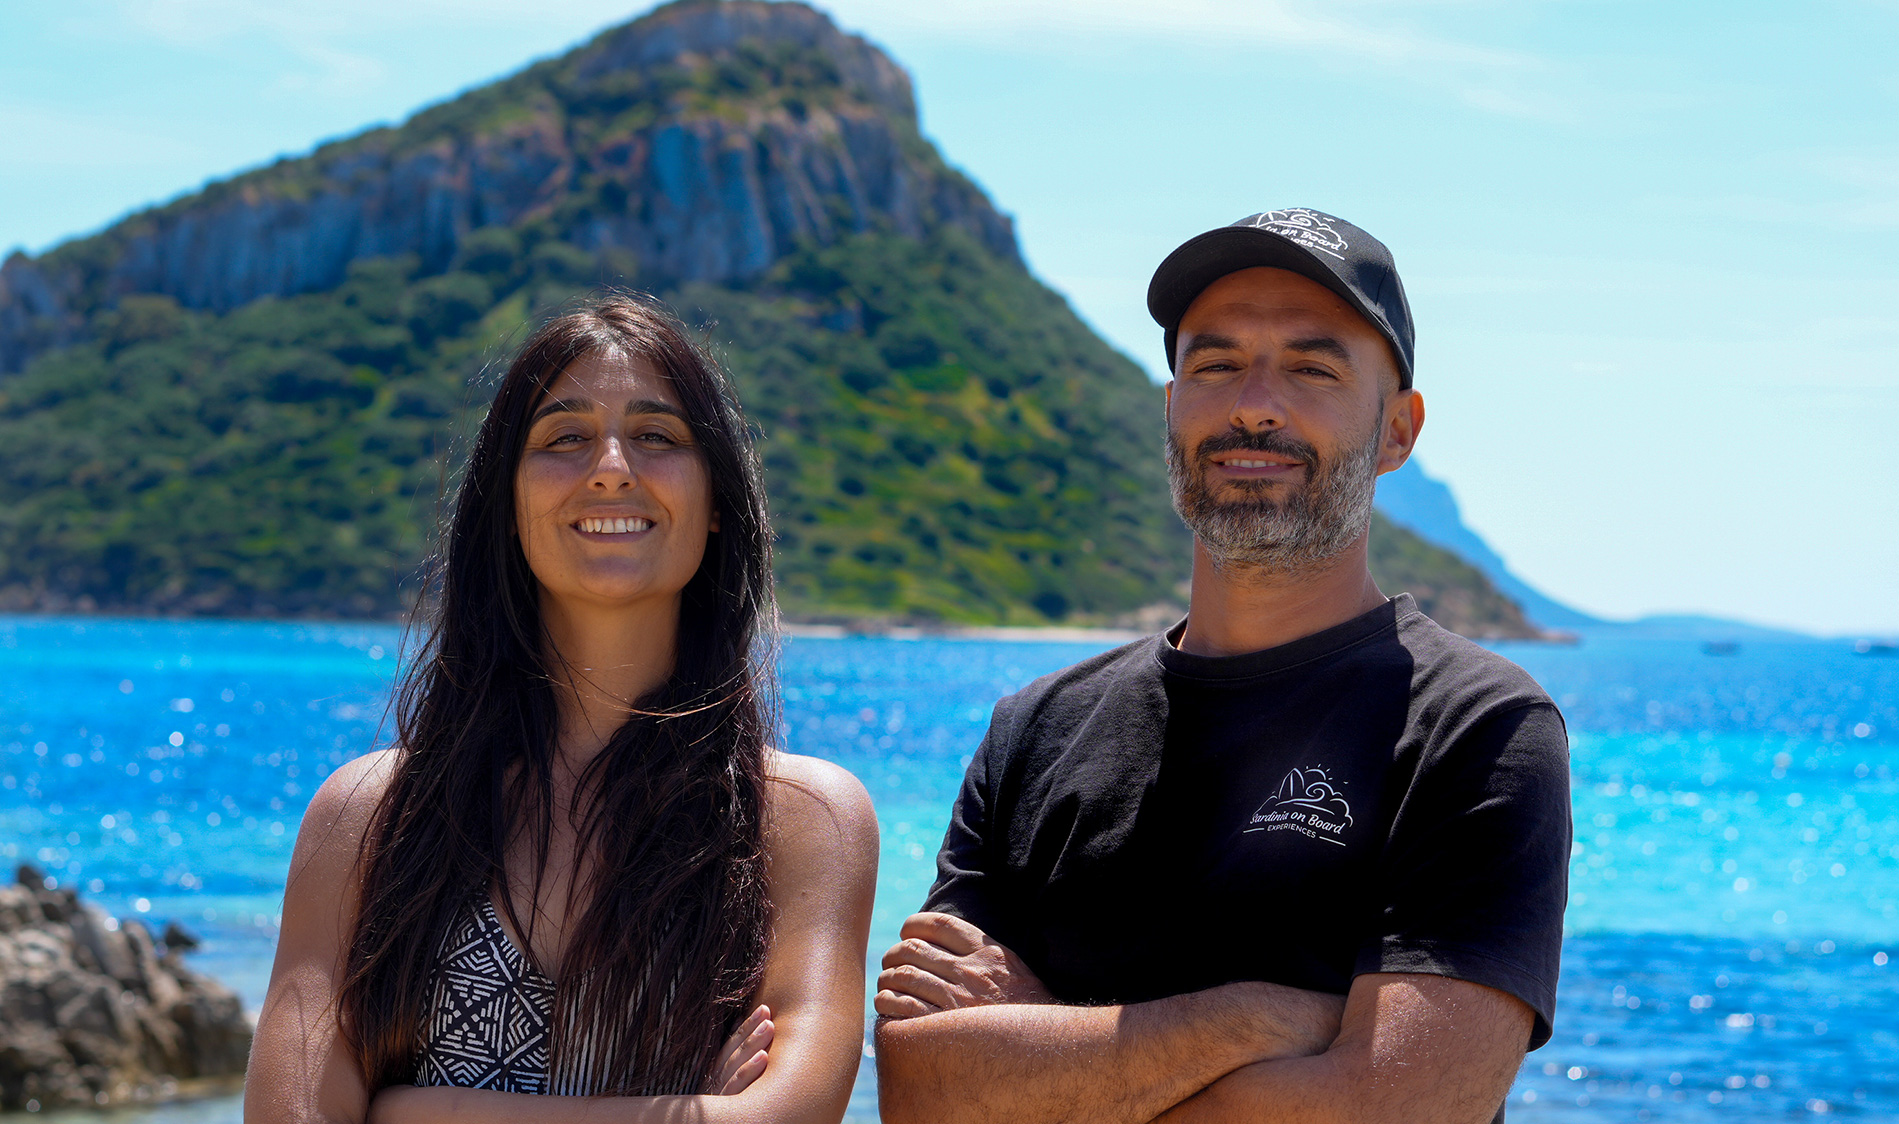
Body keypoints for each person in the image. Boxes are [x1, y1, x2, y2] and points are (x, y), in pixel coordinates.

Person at [872, 209, 1571, 1124]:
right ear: (1171, 407)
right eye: (1216, 364)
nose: (1254, 405)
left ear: (1398, 431)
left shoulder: (1477, 728)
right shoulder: (1035, 729)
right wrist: (1258, 1018)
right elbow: (921, 1093)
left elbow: (1394, 1113)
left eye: (1313, 369)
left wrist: (1038, 1048)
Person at [245, 294, 878, 1123]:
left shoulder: (801, 822)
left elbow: (785, 1117)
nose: (611, 467)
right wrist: (683, 1110)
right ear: (507, 506)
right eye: (564, 438)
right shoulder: (371, 817)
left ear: (718, 503)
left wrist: (407, 1111)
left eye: (657, 436)